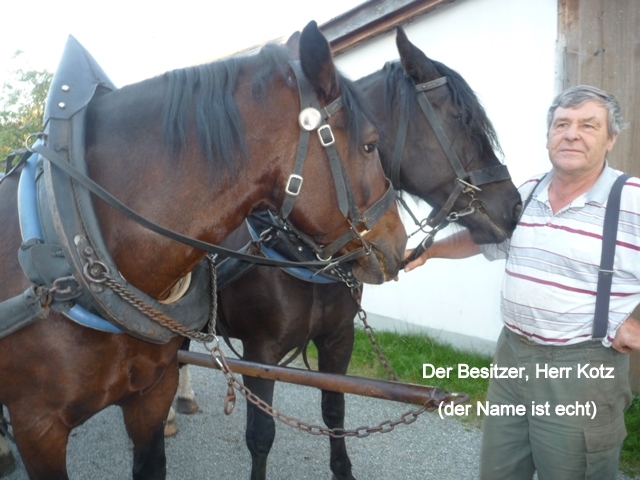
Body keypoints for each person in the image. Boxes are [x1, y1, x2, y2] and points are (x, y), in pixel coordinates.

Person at [404, 85, 640, 479]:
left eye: (588, 125)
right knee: (499, 471)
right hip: (511, 356)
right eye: (561, 124)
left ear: (611, 138)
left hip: (580, 369)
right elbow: (485, 237)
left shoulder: (632, 199)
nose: (571, 134)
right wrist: (429, 251)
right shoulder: (528, 191)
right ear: (548, 136)